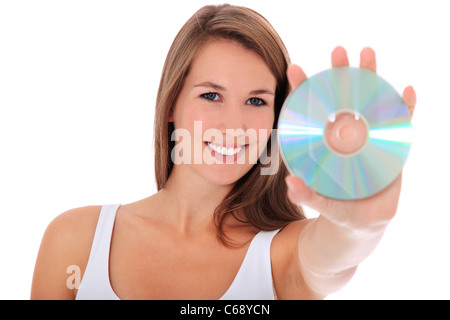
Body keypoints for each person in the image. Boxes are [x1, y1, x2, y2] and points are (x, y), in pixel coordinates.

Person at [31, 4, 416, 300]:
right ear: (170, 105)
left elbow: (333, 257)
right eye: (211, 95)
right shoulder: (76, 240)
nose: (234, 125)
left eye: (256, 101)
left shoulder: (281, 256)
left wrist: (361, 225)